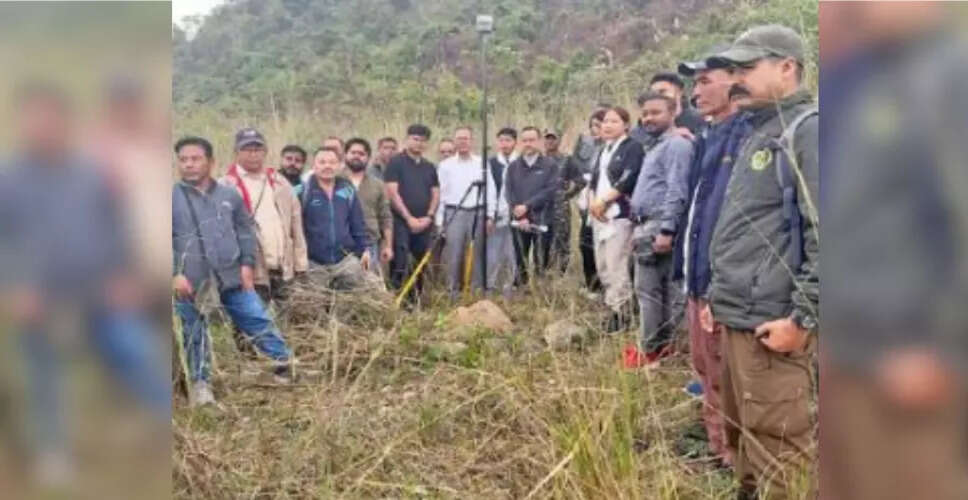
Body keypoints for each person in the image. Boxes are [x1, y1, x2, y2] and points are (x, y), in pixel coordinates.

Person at [705, 25, 818, 499]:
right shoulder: (759, 131)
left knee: (781, 458)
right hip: (741, 320)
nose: (736, 80)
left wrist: (803, 318)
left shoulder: (808, 131)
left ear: (787, 67)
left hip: (774, 326)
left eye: (747, 68)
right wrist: (718, 298)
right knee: (747, 450)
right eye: (732, 70)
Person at [173, 136, 294, 408]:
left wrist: (247, 264)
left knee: (256, 318)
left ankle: (285, 364)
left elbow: (245, 230)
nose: (189, 164)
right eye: (183, 160)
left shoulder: (228, 195)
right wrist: (174, 273)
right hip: (191, 280)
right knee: (195, 332)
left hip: (232, 275)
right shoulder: (171, 198)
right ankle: (201, 385)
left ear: (210, 162)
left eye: (195, 159)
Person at [673, 48, 751, 468]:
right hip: (697, 279)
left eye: (705, 81)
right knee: (706, 369)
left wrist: (718, 286)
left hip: (721, 284)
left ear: (735, 80)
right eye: (694, 83)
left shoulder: (747, 136)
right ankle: (718, 449)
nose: (695, 91)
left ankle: (736, 461)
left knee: (726, 374)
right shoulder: (708, 136)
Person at [625, 93, 693, 367]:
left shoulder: (677, 145)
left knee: (654, 292)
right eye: (645, 113)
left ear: (673, 112)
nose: (648, 118)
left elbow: (677, 188)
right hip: (646, 225)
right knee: (654, 291)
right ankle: (660, 346)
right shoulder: (655, 146)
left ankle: (652, 349)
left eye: (655, 112)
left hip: (659, 225)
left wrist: (667, 229)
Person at [220, 128, 308, 309]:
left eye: (257, 149)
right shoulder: (225, 186)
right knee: (253, 320)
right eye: (247, 149)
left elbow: (295, 224)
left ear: (265, 152)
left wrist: (300, 264)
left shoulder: (279, 181)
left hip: (283, 267)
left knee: (291, 318)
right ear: (236, 152)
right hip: (251, 270)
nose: (253, 154)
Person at [588, 107, 644, 333]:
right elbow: (593, 181)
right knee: (602, 265)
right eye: (605, 122)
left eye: (614, 121)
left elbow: (628, 178)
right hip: (598, 216)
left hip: (619, 215)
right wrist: (593, 204)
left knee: (617, 265)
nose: (607, 125)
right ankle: (612, 307)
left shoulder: (632, 148)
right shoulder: (603, 150)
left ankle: (622, 314)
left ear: (626, 125)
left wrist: (604, 201)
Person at [301, 146, 384, 292]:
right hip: (313, 262)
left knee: (355, 296)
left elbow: (357, 223)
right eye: (322, 162)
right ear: (314, 166)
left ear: (340, 165)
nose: (327, 166)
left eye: (332, 162)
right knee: (316, 300)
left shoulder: (347, 190)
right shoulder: (302, 191)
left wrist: (363, 250)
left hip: (345, 261)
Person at [436, 126, 496, 299]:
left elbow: (490, 189)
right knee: (454, 254)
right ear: (454, 141)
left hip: (478, 212)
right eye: (459, 138)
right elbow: (441, 194)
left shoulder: (481, 163)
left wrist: (490, 215)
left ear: (472, 141)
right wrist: (440, 221)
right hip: (454, 212)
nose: (462, 142)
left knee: (476, 254)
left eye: (466, 138)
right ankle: (452, 293)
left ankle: (475, 293)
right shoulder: (446, 166)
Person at [384, 124, 439, 306]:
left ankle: (414, 303)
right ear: (407, 139)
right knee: (400, 262)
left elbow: (435, 193)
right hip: (401, 221)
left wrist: (429, 216)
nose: (419, 143)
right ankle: (395, 301)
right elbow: (392, 193)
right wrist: (408, 218)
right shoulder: (396, 163)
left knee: (420, 263)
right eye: (415, 139)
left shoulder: (429, 167)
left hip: (424, 222)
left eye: (423, 141)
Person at [504, 126, 559, 285]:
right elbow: (509, 192)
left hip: (542, 220)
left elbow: (550, 191)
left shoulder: (550, 165)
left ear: (539, 141)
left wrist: (527, 206)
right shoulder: (514, 166)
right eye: (525, 140)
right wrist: (520, 214)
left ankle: (540, 292)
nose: (528, 144)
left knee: (541, 260)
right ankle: (521, 291)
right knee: (520, 260)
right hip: (519, 221)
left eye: (532, 140)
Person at [340, 138, 393, 276]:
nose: (357, 156)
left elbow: (385, 216)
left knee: (368, 282)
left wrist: (388, 245)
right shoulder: (335, 181)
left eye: (361, 154)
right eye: (353, 153)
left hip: (369, 242)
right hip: (340, 243)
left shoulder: (377, 185)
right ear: (345, 155)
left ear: (368, 157)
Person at [572, 110, 607, 294]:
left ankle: (604, 288)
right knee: (585, 244)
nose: (595, 129)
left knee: (603, 248)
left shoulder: (613, 149)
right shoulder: (587, 148)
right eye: (592, 125)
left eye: (598, 125)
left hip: (605, 205)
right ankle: (592, 286)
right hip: (587, 204)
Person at [545, 128, 585, 274]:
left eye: (553, 138)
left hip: (560, 209)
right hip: (541, 208)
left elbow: (581, 181)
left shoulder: (567, 160)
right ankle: (544, 274)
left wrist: (567, 195)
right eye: (547, 138)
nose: (550, 141)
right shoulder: (539, 160)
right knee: (543, 243)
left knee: (562, 242)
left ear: (559, 140)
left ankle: (561, 275)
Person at [630, 73, 706, 150]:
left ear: (680, 92)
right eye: (654, 93)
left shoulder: (699, 120)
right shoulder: (641, 129)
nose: (657, 96)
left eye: (662, 92)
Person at [486, 127, 519, 295]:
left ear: (515, 142)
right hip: (497, 214)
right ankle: (490, 286)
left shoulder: (520, 162)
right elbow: (490, 191)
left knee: (512, 253)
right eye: (501, 140)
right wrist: (490, 214)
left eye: (508, 140)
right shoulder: (491, 163)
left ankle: (509, 287)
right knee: (492, 253)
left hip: (516, 215)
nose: (504, 144)